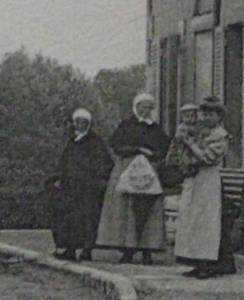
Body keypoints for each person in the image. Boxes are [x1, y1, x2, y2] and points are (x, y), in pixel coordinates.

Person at [96, 93, 170, 265]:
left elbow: (164, 148)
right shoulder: (126, 125)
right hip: (126, 169)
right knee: (125, 210)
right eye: (143, 107)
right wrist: (137, 149)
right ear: (136, 107)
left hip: (148, 173)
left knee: (150, 211)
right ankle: (126, 250)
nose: (146, 111)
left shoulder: (155, 129)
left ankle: (147, 250)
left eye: (149, 108)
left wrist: (154, 155)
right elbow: (116, 145)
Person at [175, 96, 232, 279]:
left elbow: (208, 158)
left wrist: (190, 145)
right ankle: (196, 260)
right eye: (204, 113)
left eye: (211, 114)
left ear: (219, 116)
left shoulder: (220, 136)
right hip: (195, 179)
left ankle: (209, 263)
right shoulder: (201, 132)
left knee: (207, 221)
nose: (206, 117)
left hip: (208, 180)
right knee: (193, 219)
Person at [50, 108, 114, 262]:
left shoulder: (95, 142)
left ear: (88, 124)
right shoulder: (72, 141)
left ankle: (87, 250)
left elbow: (104, 164)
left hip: (87, 188)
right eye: (77, 122)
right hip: (70, 187)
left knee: (87, 219)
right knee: (69, 219)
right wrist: (58, 178)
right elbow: (63, 163)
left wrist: (95, 179)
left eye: (83, 122)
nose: (80, 125)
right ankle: (70, 250)